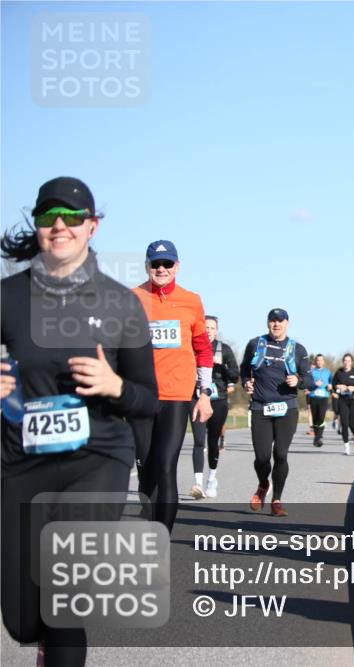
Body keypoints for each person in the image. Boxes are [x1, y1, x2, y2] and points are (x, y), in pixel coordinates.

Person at [1, 176, 158, 666]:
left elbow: (148, 398)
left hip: (97, 458)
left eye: (72, 218)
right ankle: (42, 634)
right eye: (49, 217)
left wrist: (115, 387)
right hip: (19, 460)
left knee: (62, 589)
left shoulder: (119, 302)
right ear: (38, 226)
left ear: (93, 226)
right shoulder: (8, 298)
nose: (60, 226)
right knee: (23, 617)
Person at [132, 240, 214, 532]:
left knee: (166, 468)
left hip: (176, 397)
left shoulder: (191, 300)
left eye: (167, 264)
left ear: (177, 267)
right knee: (146, 471)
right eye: (156, 264)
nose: (161, 269)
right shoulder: (131, 299)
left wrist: (204, 394)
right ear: (147, 266)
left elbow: (203, 350)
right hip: (139, 397)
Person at [239, 308, 313, 517]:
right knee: (262, 458)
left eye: (280, 321)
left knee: (280, 454)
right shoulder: (255, 344)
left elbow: (309, 380)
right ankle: (263, 484)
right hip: (260, 407)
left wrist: (298, 381)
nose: (276, 324)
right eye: (273, 321)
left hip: (286, 408)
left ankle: (277, 500)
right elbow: (244, 369)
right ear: (268, 323)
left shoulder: (297, 349)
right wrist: (246, 383)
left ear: (287, 323)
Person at [189, 316, 239, 499]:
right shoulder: (192, 346)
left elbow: (235, 377)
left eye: (212, 328)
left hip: (218, 399)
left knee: (212, 441)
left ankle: (211, 479)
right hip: (195, 397)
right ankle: (197, 483)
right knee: (198, 439)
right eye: (206, 327)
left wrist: (222, 365)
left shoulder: (223, 349)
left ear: (216, 330)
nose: (208, 330)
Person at [333, 353, 354, 453]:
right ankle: (346, 446)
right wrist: (339, 386)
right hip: (343, 400)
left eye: (348, 361)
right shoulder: (339, 372)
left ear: (351, 362)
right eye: (345, 360)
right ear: (343, 362)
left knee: (352, 424)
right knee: (344, 424)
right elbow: (333, 384)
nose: (346, 362)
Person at [306, 354, 333, 447]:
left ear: (323, 361)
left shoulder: (328, 372)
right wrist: (315, 384)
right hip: (313, 396)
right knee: (315, 418)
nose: (319, 362)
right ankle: (317, 437)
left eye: (321, 360)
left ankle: (318, 437)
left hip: (324, 397)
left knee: (321, 417)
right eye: (318, 360)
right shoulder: (312, 372)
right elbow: (307, 383)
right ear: (315, 362)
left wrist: (330, 386)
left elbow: (332, 382)